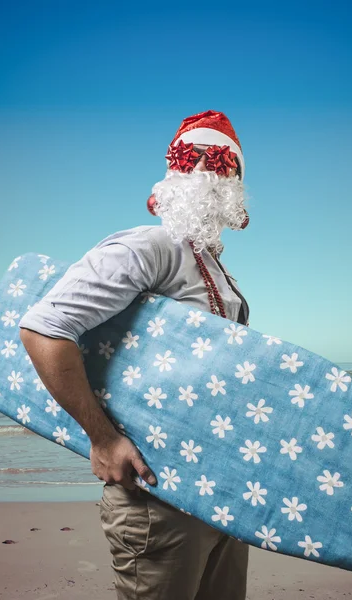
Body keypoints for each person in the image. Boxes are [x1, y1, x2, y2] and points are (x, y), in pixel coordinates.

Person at [19, 110, 251, 600]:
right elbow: (44, 327)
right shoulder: (151, 246)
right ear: (175, 173)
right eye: (197, 163)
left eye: (219, 166)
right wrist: (102, 439)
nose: (207, 174)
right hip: (157, 496)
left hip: (219, 494)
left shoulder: (213, 266)